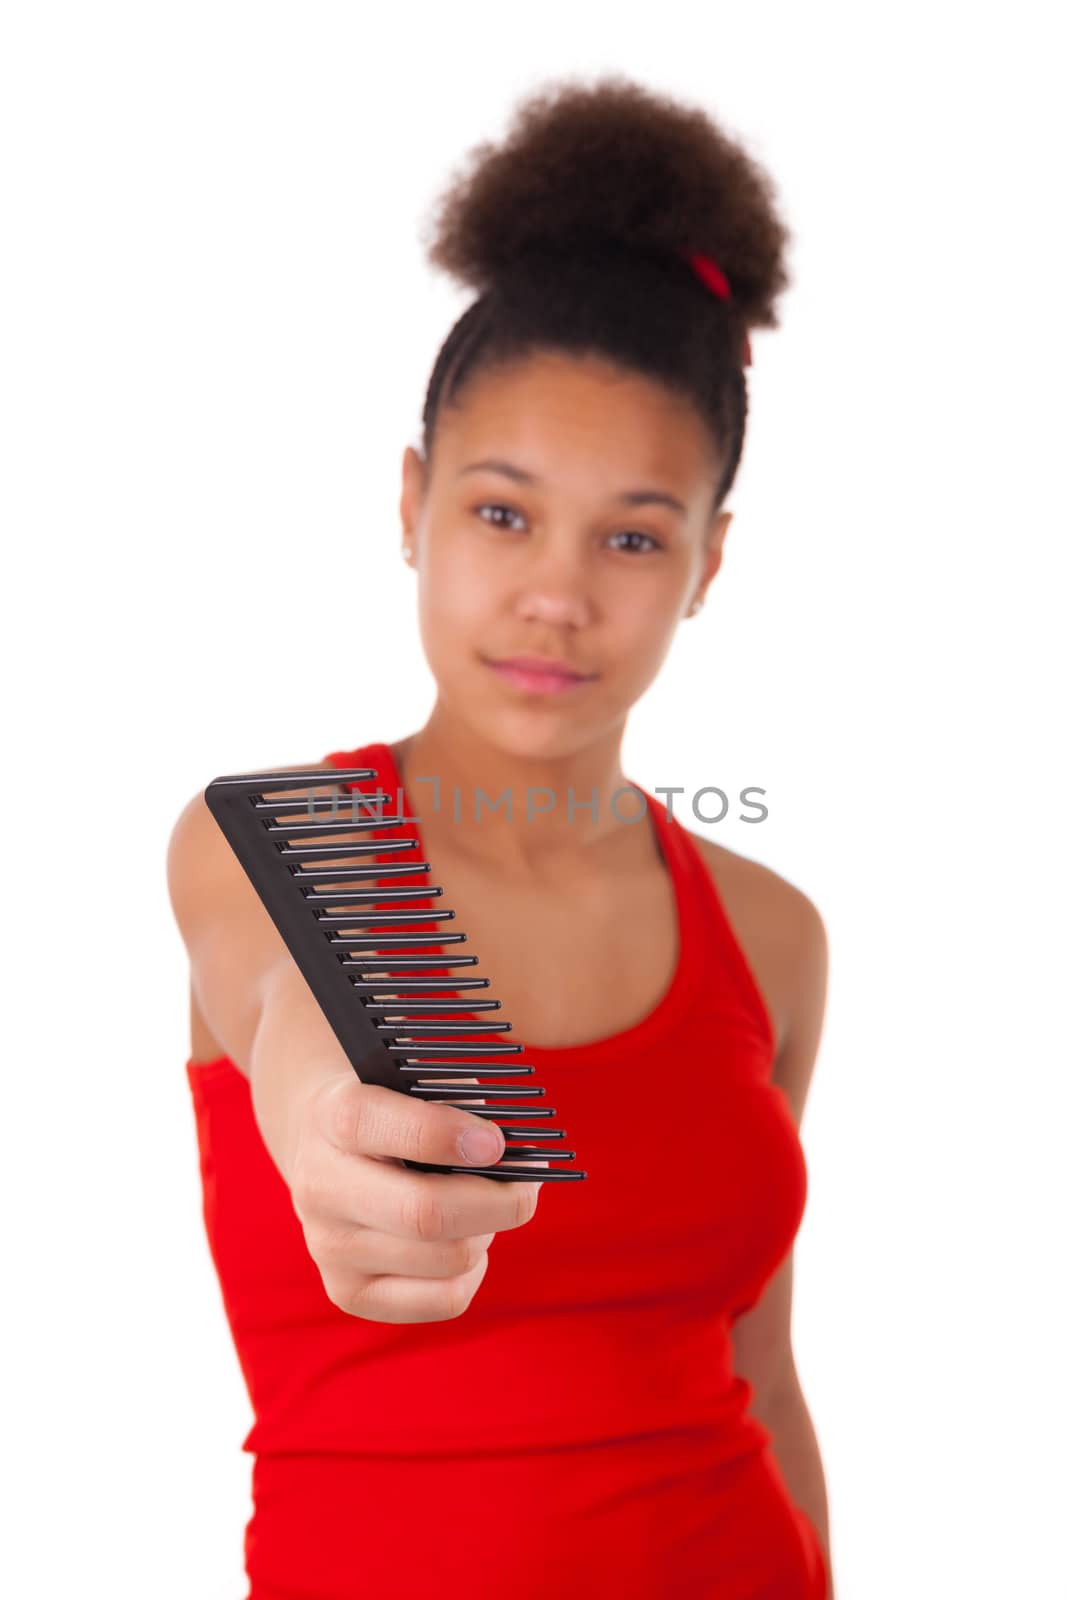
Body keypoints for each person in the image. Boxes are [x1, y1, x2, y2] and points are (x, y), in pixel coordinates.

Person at [168, 72, 834, 1600]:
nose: (557, 595)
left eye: (634, 534)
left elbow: (769, 1370)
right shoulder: (275, 842)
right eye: (502, 513)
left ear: (708, 564)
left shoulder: (774, 932)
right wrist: (321, 1099)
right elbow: (280, 997)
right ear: (411, 504)